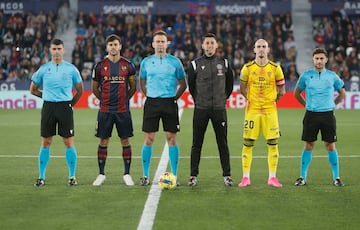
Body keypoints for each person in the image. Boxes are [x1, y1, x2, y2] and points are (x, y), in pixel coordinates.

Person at [30, 38, 83, 187]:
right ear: (50, 50)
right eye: (54, 49)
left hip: (65, 107)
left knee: (68, 141)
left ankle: (72, 177)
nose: (57, 51)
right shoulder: (44, 68)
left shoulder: (71, 69)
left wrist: (71, 103)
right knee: (46, 141)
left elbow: (80, 90)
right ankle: (41, 177)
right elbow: (33, 89)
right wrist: (45, 96)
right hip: (48, 107)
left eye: (59, 49)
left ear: (64, 50)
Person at [139, 30, 187, 186]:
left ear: (167, 44)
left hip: (169, 103)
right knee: (149, 139)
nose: (160, 44)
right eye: (157, 41)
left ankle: (174, 175)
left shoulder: (175, 62)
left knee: (171, 139)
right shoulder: (146, 62)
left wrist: (174, 98)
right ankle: (145, 176)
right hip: (152, 103)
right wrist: (149, 95)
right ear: (153, 44)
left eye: (162, 41)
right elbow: (142, 81)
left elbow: (183, 83)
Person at [187, 33, 234, 187]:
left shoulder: (224, 63)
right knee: (196, 143)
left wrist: (221, 99)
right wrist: (200, 101)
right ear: (202, 46)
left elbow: (229, 86)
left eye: (212, 43)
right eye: (207, 43)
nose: (209, 46)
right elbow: (192, 87)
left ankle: (227, 175)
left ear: (216, 45)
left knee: (223, 143)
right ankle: (193, 176)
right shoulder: (195, 64)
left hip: (219, 109)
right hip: (201, 108)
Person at [294, 47, 345, 187]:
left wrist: (332, 105)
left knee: (330, 145)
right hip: (311, 114)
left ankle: (337, 178)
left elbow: (342, 93)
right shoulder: (306, 75)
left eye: (322, 58)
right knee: (308, 145)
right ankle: (302, 177)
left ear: (326, 60)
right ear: (313, 60)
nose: (319, 61)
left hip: (328, 114)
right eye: (317, 58)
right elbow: (296, 93)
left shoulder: (332, 76)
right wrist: (306, 104)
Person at [238, 39, 285, 187]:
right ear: (254, 50)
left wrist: (270, 101)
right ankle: (246, 177)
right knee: (248, 143)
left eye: (264, 46)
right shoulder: (247, 68)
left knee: (273, 143)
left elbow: (282, 91)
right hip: (252, 111)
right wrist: (253, 100)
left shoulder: (276, 68)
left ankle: (272, 177)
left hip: (270, 111)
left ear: (268, 49)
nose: (261, 49)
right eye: (258, 46)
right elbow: (242, 88)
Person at [91, 34, 137, 186]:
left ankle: (127, 174)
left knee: (125, 140)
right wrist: (105, 100)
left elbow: (133, 87)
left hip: (123, 110)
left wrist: (124, 99)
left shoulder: (128, 65)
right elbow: (95, 89)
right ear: (107, 47)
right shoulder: (99, 66)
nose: (113, 47)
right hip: (105, 110)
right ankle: (101, 174)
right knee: (103, 140)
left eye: (115, 44)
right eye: (110, 45)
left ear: (120, 46)